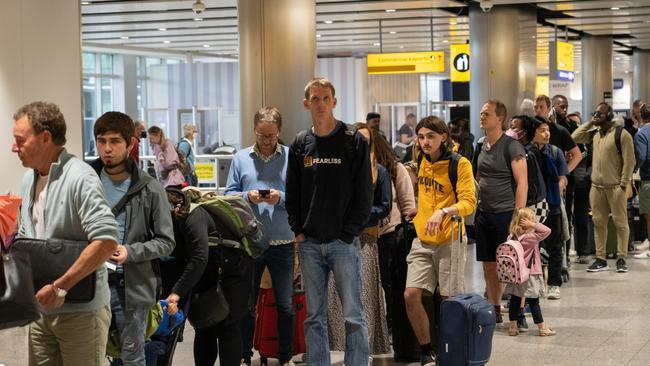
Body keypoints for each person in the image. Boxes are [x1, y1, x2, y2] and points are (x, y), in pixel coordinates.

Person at [12, 101, 119, 365]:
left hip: (80, 313)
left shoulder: (81, 177)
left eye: (20, 140)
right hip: (40, 311)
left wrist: (60, 288)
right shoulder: (30, 179)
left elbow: (106, 241)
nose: (14, 147)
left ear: (45, 137)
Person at [285, 77, 373, 366]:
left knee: (353, 315)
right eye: (315, 98)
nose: (320, 104)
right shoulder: (301, 143)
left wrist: (348, 234)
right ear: (306, 103)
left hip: (343, 244)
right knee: (314, 317)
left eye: (325, 98)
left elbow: (364, 195)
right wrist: (298, 230)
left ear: (334, 102)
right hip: (309, 244)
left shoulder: (353, 140)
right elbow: (292, 192)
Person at [90, 111, 176, 366]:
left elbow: (166, 241)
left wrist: (130, 252)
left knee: (131, 355)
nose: (107, 149)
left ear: (130, 143)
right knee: (87, 353)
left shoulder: (150, 188)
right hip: (89, 280)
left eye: (115, 141)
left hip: (131, 285)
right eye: (101, 141)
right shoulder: (84, 180)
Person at [225, 106, 296, 366]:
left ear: (279, 132)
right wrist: (247, 196)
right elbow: (229, 194)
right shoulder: (241, 158)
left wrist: (281, 198)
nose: (266, 140)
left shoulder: (291, 157)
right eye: (261, 135)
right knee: (246, 305)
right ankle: (244, 355)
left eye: (271, 135)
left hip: (283, 240)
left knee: (286, 305)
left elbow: (302, 198)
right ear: (254, 131)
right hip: (250, 241)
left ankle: (285, 356)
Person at [404, 116, 476, 366]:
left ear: (444, 137)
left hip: (450, 239)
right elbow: (424, 193)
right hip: (423, 239)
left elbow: (469, 203)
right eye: (421, 137)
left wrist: (443, 212)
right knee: (411, 294)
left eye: (430, 136)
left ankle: (452, 351)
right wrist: (419, 211)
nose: (425, 142)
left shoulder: (460, 164)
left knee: (449, 301)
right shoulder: (421, 159)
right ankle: (426, 351)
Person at [166, 188, 253, 366]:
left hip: (234, 270)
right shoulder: (169, 220)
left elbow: (199, 258)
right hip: (208, 272)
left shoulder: (192, 217)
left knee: (228, 327)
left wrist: (176, 292)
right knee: (204, 326)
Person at [327, 123, 392, 357]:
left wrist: (358, 214)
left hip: (365, 239)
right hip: (339, 240)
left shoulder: (380, 171)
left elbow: (385, 207)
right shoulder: (338, 169)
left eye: (365, 140)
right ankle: (347, 352)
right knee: (338, 301)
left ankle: (363, 353)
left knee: (364, 299)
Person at [474, 99, 528, 323]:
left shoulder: (511, 146)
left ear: (500, 118)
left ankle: (519, 312)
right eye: (481, 113)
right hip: (484, 213)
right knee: (489, 265)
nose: (482, 116)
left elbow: (522, 182)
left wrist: (518, 216)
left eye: (486, 113)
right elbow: (478, 176)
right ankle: (494, 308)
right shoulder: (481, 144)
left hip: (505, 213)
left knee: (511, 264)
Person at [572, 102, 635, 273]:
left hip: (616, 187)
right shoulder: (595, 133)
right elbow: (575, 137)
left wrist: (623, 183)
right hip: (596, 187)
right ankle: (601, 259)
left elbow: (630, 161)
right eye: (594, 112)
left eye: (600, 114)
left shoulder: (622, 135)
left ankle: (622, 258)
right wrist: (591, 122)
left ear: (609, 115)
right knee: (599, 223)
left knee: (621, 223)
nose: (596, 115)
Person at [375, 132, 416, 332]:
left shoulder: (395, 168)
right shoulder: (358, 168)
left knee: (389, 281)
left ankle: (393, 322)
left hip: (391, 232)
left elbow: (408, 205)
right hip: (364, 234)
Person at [523, 116, 568, 300]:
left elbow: (563, 176)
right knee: (531, 245)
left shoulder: (555, 152)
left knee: (555, 245)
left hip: (553, 204)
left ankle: (554, 283)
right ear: (533, 133)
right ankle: (533, 284)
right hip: (533, 206)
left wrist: (559, 186)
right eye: (542, 130)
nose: (546, 133)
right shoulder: (527, 153)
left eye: (547, 129)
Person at [504, 208, 556, 337]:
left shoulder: (511, 237)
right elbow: (547, 230)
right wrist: (533, 225)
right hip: (531, 273)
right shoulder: (531, 237)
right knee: (534, 302)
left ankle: (513, 327)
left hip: (516, 274)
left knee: (515, 300)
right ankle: (542, 328)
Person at [634, 104, 650, 259]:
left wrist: (633, 169)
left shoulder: (641, 134)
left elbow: (641, 156)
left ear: (640, 116)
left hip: (648, 179)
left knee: (649, 215)